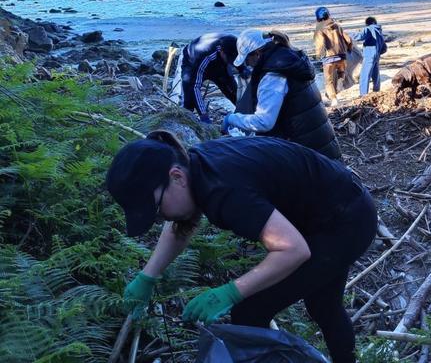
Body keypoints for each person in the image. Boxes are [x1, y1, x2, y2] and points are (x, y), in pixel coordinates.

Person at [107, 131, 377, 363]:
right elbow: (181, 224)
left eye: (156, 209)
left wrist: (229, 292)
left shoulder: (225, 191)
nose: (160, 218)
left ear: (176, 177)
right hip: (333, 209)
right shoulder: (196, 165)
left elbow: (293, 249)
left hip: (345, 221)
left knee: (251, 310)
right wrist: (148, 276)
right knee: (323, 306)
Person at [225, 29, 341, 160]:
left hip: (306, 153)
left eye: (247, 60)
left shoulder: (273, 75)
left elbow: (264, 122)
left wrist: (232, 119)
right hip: (322, 145)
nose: (248, 65)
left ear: (257, 54)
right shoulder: (290, 59)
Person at [178, 33, 239, 123]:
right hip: (192, 62)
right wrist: (204, 116)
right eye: (229, 58)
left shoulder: (236, 46)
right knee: (188, 99)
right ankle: (185, 122)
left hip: (219, 62)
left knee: (232, 89)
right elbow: (195, 87)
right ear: (222, 51)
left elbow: (240, 63)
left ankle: (244, 113)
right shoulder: (204, 56)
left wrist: (243, 70)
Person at [314, 7, 353, 107]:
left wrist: (319, 55)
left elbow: (320, 45)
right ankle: (340, 83)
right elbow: (348, 40)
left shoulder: (319, 29)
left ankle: (334, 99)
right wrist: (349, 48)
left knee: (329, 81)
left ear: (318, 18)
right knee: (341, 72)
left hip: (329, 58)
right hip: (341, 56)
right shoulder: (337, 26)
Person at [353, 16, 383, 96]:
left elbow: (360, 37)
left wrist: (350, 35)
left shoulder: (368, 29)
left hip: (369, 55)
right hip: (377, 55)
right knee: (375, 74)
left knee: (365, 75)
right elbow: (383, 45)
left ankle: (363, 94)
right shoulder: (379, 30)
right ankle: (377, 91)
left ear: (367, 23)